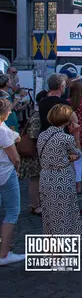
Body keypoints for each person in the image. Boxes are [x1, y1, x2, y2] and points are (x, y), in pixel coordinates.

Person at [37, 104, 82, 237]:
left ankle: (53, 252)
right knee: (63, 215)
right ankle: (60, 253)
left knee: (49, 216)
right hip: (61, 178)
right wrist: (76, 135)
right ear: (67, 120)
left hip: (45, 177)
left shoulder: (42, 135)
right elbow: (78, 154)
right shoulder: (65, 138)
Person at [0, 98, 23, 265]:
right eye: (8, 111)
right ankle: (4, 254)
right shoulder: (3, 131)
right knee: (12, 211)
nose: (10, 113)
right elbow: (15, 157)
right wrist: (18, 168)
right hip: (5, 173)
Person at [17, 90, 46, 217]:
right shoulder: (38, 115)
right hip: (33, 153)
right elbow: (34, 135)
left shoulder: (37, 114)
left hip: (35, 152)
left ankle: (37, 204)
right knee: (35, 179)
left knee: (37, 179)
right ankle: (35, 205)